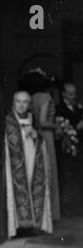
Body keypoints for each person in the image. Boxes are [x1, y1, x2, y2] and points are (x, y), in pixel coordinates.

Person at [5, 91, 52, 237]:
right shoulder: (9, 120)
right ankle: (18, 227)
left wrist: (35, 135)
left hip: (32, 159)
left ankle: (33, 225)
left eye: (25, 102)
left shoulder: (33, 118)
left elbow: (40, 139)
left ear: (29, 104)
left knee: (34, 187)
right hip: (14, 163)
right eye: (18, 101)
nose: (21, 105)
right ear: (13, 102)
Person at [19, 70, 60, 221]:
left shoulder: (31, 98)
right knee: (49, 172)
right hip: (46, 135)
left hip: (36, 134)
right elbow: (43, 121)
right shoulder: (46, 97)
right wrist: (57, 126)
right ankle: (51, 214)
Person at [55, 82, 83, 216]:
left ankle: (78, 207)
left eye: (75, 93)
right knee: (67, 178)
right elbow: (64, 131)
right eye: (71, 94)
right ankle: (67, 209)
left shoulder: (78, 109)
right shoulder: (59, 109)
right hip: (67, 149)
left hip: (80, 149)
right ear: (64, 94)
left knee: (79, 177)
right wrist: (78, 127)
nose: (74, 96)